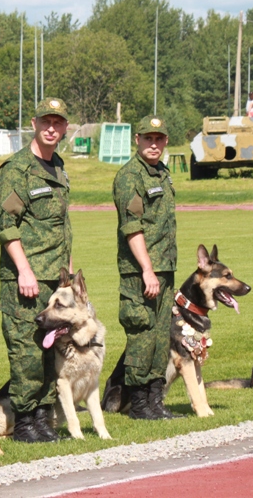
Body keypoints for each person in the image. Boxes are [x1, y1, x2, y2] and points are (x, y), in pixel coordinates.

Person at [0, 98, 72, 443]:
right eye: (46, 122)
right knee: (26, 350)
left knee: (48, 349)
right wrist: (24, 270)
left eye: (58, 122)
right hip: (26, 279)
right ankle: (25, 421)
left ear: (65, 127)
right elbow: (6, 226)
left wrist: (67, 273)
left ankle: (42, 415)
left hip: (54, 279)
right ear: (34, 123)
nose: (51, 128)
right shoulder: (17, 169)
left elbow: (61, 224)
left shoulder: (58, 166)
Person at [111, 115, 178, 420]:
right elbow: (132, 226)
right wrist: (147, 270)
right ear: (136, 139)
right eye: (148, 139)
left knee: (161, 336)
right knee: (142, 336)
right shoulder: (130, 176)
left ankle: (155, 401)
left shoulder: (162, 173)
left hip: (164, 269)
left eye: (159, 139)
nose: (154, 144)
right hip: (141, 272)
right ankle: (138, 404)